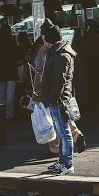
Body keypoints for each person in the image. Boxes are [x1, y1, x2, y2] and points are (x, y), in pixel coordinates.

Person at [34, 19, 77, 175]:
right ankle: (63, 161)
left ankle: (67, 163)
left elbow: (59, 81)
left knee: (64, 133)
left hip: (58, 100)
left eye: (43, 36)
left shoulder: (61, 55)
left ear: (47, 37)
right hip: (57, 99)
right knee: (62, 132)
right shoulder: (60, 52)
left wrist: (51, 98)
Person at [0, 20, 21, 120]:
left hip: (0, 72)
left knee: (1, 95)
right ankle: (9, 115)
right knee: (10, 95)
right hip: (11, 71)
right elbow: (18, 56)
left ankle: (1, 114)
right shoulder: (12, 43)